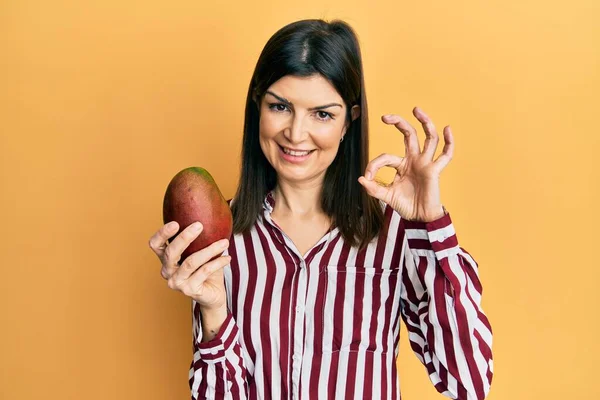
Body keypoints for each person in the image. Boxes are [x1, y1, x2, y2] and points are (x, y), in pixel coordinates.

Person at [148, 19, 493, 400]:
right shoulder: (224, 242)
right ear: (257, 107)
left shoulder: (394, 230)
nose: (296, 134)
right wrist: (211, 308)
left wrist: (431, 225)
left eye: (322, 114)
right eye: (280, 106)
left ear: (350, 120)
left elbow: (469, 381)